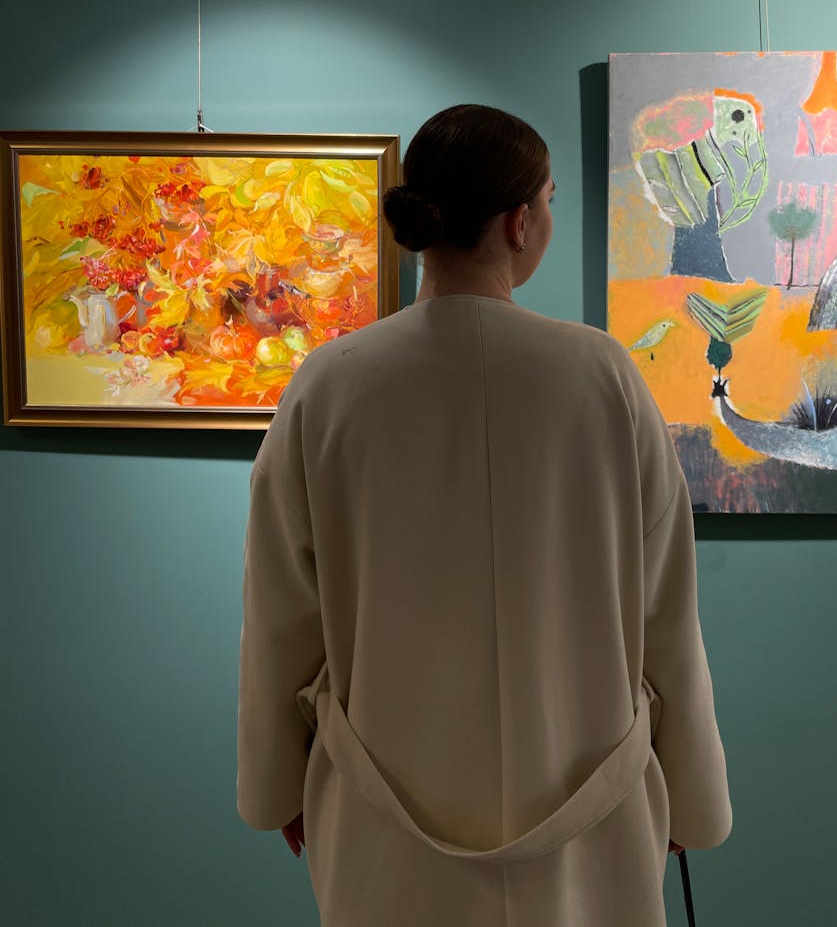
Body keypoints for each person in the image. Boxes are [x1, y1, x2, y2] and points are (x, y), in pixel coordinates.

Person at [237, 104, 731, 927]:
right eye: (547, 201)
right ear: (518, 221)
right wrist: (690, 796)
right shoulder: (602, 375)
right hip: (588, 803)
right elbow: (664, 610)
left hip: (384, 807)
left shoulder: (331, 383)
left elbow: (282, 612)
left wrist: (275, 787)